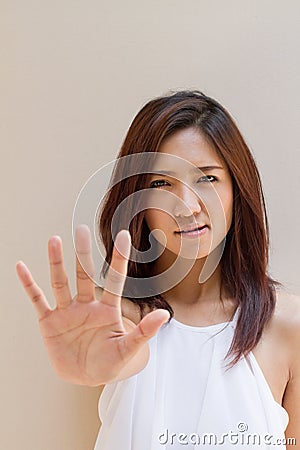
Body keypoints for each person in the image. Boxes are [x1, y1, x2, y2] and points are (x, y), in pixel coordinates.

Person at [16, 91, 300, 449]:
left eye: (207, 179)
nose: (187, 207)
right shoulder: (117, 319)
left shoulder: (289, 326)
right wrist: (89, 367)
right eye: (161, 184)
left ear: (237, 188)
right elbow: (127, 354)